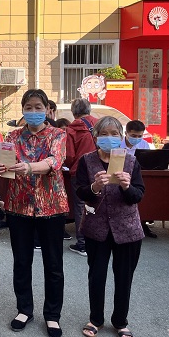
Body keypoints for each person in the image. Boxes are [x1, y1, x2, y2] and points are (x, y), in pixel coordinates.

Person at [0, 88, 68, 337]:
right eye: (28, 107)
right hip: (19, 206)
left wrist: (29, 167)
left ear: (47, 110)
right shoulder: (12, 136)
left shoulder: (58, 134)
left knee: (53, 264)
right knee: (22, 261)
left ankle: (52, 315)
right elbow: (5, 165)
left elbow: (54, 162)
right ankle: (24, 309)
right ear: (22, 110)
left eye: (38, 107)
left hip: (51, 206)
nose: (33, 111)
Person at [75, 116, 144, 337]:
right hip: (96, 228)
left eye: (114, 134)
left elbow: (138, 195)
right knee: (96, 275)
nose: (109, 138)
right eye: (104, 134)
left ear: (121, 137)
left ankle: (120, 321)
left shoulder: (131, 161)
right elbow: (80, 192)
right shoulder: (87, 161)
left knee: (124, 277)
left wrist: (126, 186)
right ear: (95, 137)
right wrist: (94, 187)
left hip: (127, 229)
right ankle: (95, 319)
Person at [65, 98, 98, 256]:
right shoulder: (100, 124)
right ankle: (98, 239)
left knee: (80, 207)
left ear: (73, 112)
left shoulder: (71, 129)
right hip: (100, 170)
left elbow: (69, 155)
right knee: (98, 204)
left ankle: (82, 243)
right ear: (89, 109)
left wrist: (69, 164)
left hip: (79, 172)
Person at [119, 120, 156, 238]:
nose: (137, 139)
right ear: (126, 133)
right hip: (121, 177)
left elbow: (149, 162)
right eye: (133, 136)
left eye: (139, 136)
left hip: (139, 176)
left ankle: (143, 223)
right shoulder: (117, 145)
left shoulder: (144, 145)